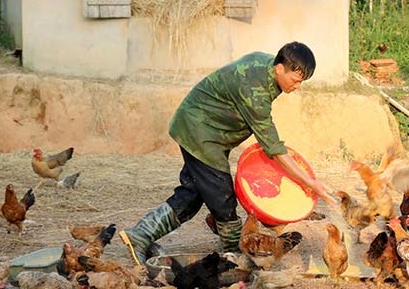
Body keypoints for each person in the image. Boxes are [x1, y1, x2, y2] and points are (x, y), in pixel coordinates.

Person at [123, 41, 336, 264]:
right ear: (280, 68)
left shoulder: (265, 64)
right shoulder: (254, 92)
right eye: (295, 81)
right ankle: (235, 254)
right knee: (222, 197)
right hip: (201, 132)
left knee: (192, 195)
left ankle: (141, 235)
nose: (297, 87)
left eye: (301, 82)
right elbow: (273, 147)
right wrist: (310, 183)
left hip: (199, 126)